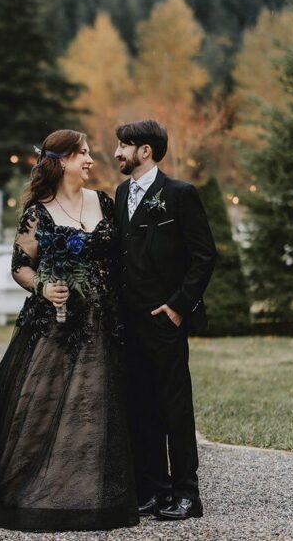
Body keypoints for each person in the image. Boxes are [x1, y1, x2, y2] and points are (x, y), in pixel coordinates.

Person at [0, 129, 139, 532]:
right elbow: (20, 266)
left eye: (88, 153)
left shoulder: (103, 201)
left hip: (103, 319)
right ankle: (30, 482)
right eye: (82, 153)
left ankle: (92, 485)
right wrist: (43, 286)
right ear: (61, 162)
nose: (90, 160)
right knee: (43, 401)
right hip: (54, 323)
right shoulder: (38, 212)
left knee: (95, 399)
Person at [112, 119, 217, 521]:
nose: (117, 153)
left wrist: (177, 307)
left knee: (175, 408)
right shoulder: (121, 193)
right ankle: (155, 490)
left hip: (165, 321)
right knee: (141, 406)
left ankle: (187, 494)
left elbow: (204, 255)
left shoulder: (180, 194)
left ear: (145, 151)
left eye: (124, 145)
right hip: (129, 322)